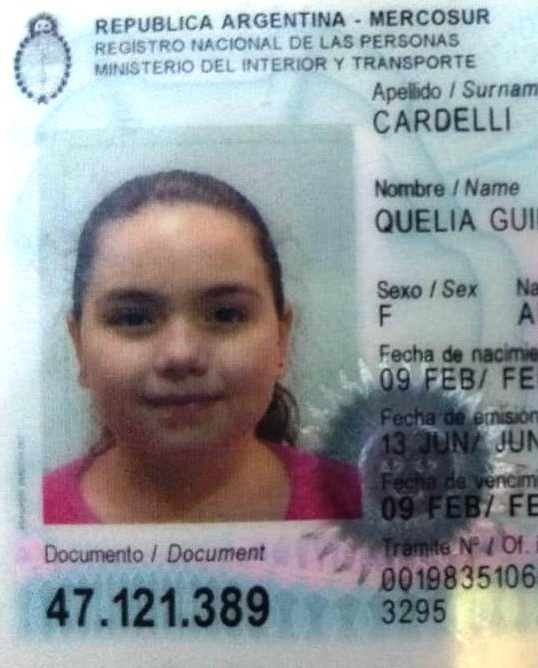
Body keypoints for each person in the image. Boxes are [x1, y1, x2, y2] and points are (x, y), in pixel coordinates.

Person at [43, 170, 361, 523]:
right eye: (133, 318)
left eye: (226, 314)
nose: (180, 354)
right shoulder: (19, 528)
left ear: (281, 338)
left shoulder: (366, 509)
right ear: (79, 346)